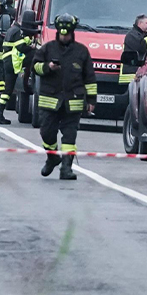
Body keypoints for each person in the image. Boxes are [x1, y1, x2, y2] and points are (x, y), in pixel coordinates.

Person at [31, 13, 96, 180]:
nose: (64, 37)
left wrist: (91, 100)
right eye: (61, 34)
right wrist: (47, 67)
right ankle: (52, 157)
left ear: (72, 32)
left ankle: (66, 168)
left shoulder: (81, 51)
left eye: (67, 34)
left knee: (69, 136)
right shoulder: (47, 48)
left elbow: (89, 78)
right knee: (47, 133)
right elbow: (35, 67)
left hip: (72, 102)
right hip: (49, 101)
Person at [0, 9, 39, 125]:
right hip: (11, 63)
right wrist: (32, 47)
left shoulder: (11, 30)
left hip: (8, 62)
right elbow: (21, 47)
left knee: (8, 90)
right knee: (8, 89)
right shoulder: (17, 31)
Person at [121, 14, 147, 85]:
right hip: (129, 76)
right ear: (140, 23)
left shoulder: (140, 35)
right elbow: (142, 48)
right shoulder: (132, 35)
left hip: (136, 74)